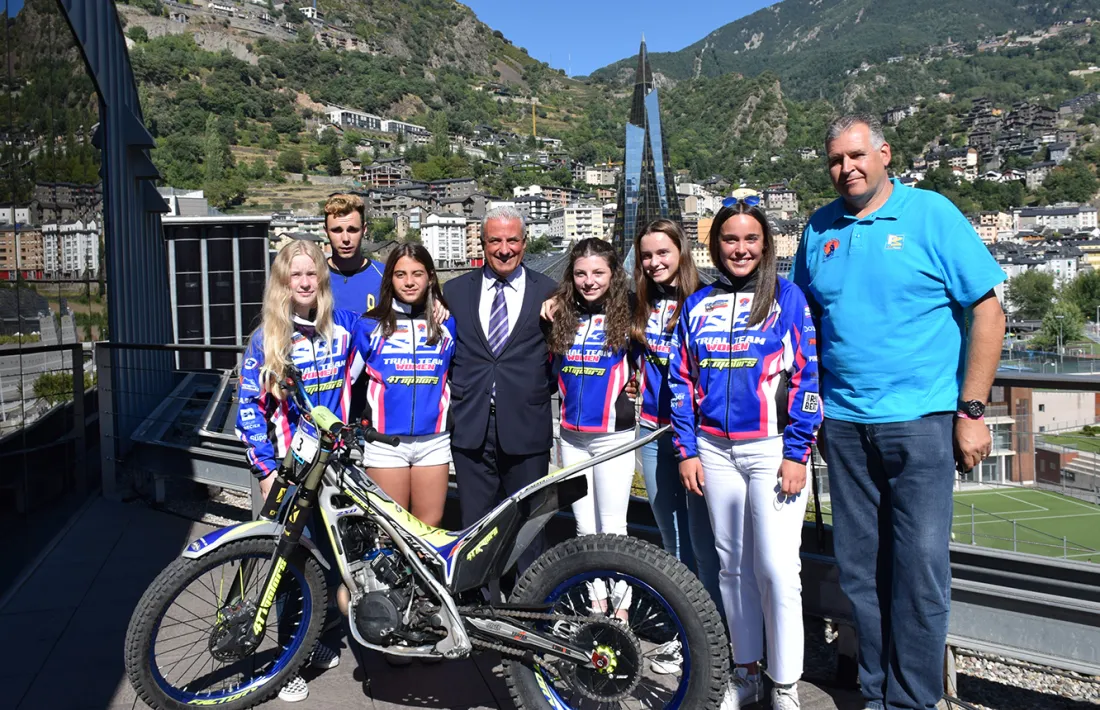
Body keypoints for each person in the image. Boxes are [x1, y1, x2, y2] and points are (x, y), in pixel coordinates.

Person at [791, 114, 1006, 710]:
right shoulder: (819, 228)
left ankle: (914, 700)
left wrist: (972, 409)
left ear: (885, 154)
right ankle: (875, 691)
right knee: (860, 571)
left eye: (857, 156)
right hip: (843, 422)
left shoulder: (931, 214)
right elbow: (800, 324)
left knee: (919, 570)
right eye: (835, 160)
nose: (846, 169)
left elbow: (987, 312)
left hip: (922, 421)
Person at [668, 194, 821, 710]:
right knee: (731, 566)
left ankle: (785, 683)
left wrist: (798, 451)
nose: (740, 248)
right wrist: (686, 449)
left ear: (765, 243)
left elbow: (808, 377)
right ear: (715, 246)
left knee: (777, 567)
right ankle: (746, 669)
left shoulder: (788, 298)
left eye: (750, 238)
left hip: (772, 450)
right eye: (730, 239)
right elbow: (680, 381)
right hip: (712, 451)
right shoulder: (696, 304)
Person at [236, 240, 357, 703]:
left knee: (329, 564)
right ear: (283, 283)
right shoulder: (268, 338)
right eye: (295, 276)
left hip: (338, 471)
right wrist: (266, 468)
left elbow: (391, 331)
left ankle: (310, 642)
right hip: (290, 473)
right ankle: (283, 661)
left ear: (322, 280)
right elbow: (247, 406)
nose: (305, 283)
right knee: (285, 568)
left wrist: (436, 308)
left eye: (312, 275)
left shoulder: (342, 329)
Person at [443, 205, 558, 581]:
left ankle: (529, 611)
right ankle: (478, 612)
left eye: (512, 240)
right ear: (483, 242)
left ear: (525, 243)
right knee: (476, 531)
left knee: (530, 530)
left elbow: (565, 357)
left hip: (526, 428)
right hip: (471, 430)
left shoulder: (551, 291)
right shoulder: (454, 292)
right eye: (495, 240)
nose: (504, 249)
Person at [631, 218, 722, 675]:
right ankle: (683, 633)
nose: (653, 263)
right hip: (652, 431)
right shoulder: (640, 304)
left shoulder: (705, 300)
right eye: (646, 256)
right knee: (672, 541)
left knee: (705, 545)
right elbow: (581, 288)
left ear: (681, 253)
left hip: (697, 438)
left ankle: (713, 639)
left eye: (662, 253)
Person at [547, 237, 638, 620]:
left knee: (615, 528)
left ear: (613, 274)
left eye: (598, 272)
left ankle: (623, 611)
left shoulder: (632, 312)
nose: (589, 281)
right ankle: (596, 605)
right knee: (584, 527)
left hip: (614, 436)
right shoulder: (560, 313)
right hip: (571, 436)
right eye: (581, 273)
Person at [348, 243, 456, 528]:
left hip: (433, 441)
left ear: (430, 277)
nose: (409, 282)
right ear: (389, 279)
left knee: (428, 528)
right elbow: (348, 383)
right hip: (384, 443)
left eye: (417, 273)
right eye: (400, 274)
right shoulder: (369, 326)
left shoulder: (447, 324)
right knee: (388, 530)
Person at [323, 193, 385, 314]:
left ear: (364, 230)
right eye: (337, 230)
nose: (345, 238)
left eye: (352, 230)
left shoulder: (385, 276)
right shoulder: (312, 278)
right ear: (326, 232)